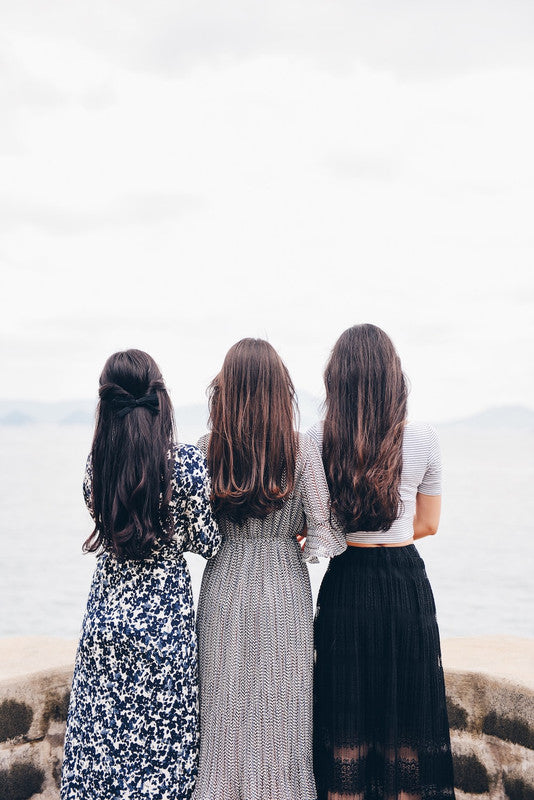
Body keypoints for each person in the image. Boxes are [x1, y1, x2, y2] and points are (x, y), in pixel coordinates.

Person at [61, 349, 220, 800]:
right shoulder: (186, 467)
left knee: (101, 757)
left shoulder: (97, 468)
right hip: (165, 631)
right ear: (160, 401)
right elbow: (209, 541)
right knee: (163, 765)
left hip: (105, 624)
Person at [192, 338, 346, 800]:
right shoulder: (299, 450)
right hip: (282, 583)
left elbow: (196, 534)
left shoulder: (206, 450)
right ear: (282, 390)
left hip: (224, 581)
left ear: (227, 391)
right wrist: (294, 535)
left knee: (223, 718)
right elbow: (327, 532)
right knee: (283, 719)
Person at [310, 324, 455, 800]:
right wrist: (388, 532)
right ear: (395, 378)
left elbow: (310, 526)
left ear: (337, 379)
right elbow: (428, 523)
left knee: (345, 728)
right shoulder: (424, 438)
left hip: (346, 581)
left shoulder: (316, 439)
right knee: (408, 730)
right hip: (403, 583)